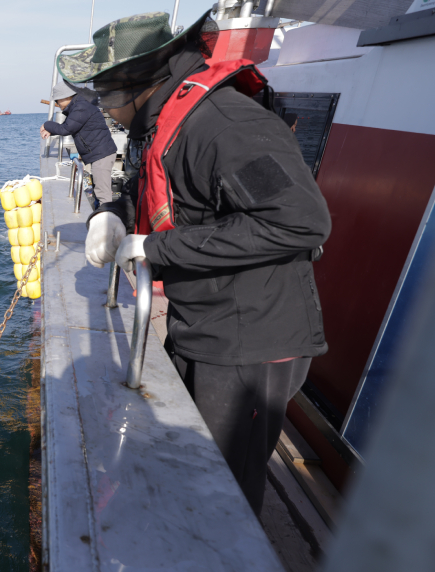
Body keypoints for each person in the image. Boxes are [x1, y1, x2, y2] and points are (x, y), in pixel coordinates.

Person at [62, 11, 331, 514]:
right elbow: (147, 190)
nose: (106, 114)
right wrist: (113, 214)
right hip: (204, 323)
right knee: (190, 457)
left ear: (139, 85)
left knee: (226, 486)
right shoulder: (166, 121)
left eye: (106, 100)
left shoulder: (226, 124)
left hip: (250, 340)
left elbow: (299, 221)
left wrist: (154, 249)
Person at [40, 80, 118, 207]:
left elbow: (66, 129)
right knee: (99, 190)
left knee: (103, 193)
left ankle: (107, 221)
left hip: (102, 154)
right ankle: (100, 213)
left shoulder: (81, 107)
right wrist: (51, 131)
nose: (56, 103)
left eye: (57, 100)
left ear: (66, 96)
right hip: (99, 153)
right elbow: (70, 126)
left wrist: (47, 125)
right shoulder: (79, 105)